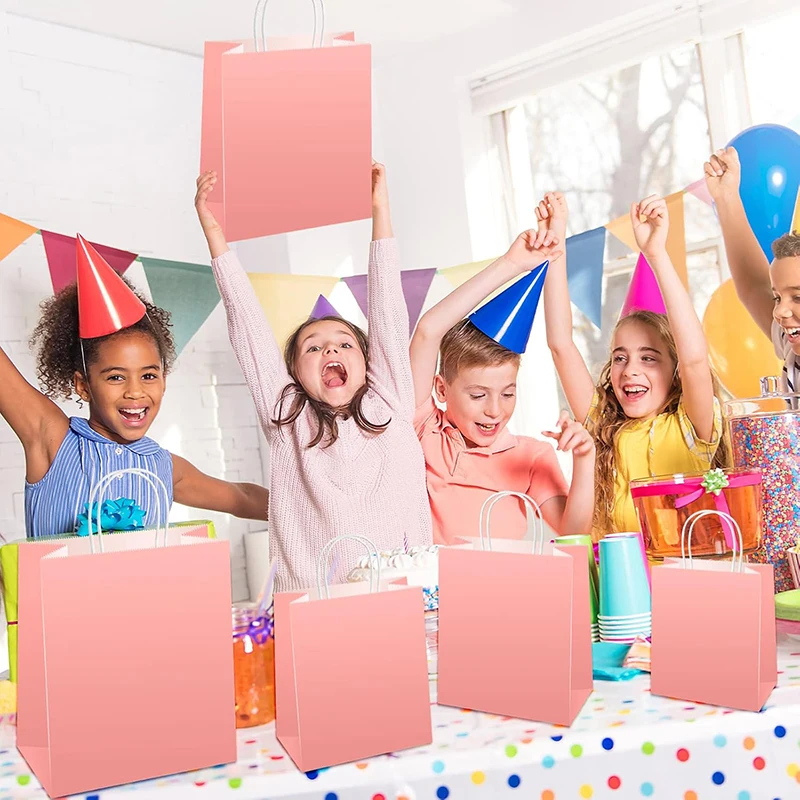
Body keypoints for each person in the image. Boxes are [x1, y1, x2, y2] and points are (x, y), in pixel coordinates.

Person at [195, 163, 432, 591]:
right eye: (313, 347)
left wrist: (380, 211)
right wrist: (214, 234)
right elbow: (246, 323)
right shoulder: (287, 417)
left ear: (367, 361)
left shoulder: (390, 400)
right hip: (312, 604)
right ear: (293, 376)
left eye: (344, 343)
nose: (330, 350)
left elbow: (387, 312)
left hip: (407, 594)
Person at [1, 249, 269, 539]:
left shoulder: (163, 467)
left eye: (149, 375)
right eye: (116, 377)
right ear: (83, 386)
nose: (135, 391)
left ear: (163, 381)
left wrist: (316, 509)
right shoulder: (53, 439)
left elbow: (241, 496)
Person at [541, 191, 725, 538]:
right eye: (620, 357)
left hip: (683, 588)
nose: (630, 370)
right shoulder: (602, 426)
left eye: (649, 358)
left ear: (675, 370)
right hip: (614, 589)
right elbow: (560, 344)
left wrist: (655, 253)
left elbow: (696, 359)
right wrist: (555, 246)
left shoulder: (689, 429)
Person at [410, 228, 595, 544]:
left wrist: (584, 459)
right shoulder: (424, 431)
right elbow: (428, 330)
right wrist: (511, 264)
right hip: (438, 590)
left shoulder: (532, 456)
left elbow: (573, 532)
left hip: (506, 588)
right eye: (478, 394)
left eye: (508, 393)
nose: (495, 410)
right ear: (441, 389)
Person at [704, 146, 800, 390]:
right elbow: (754, 287)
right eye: (778, 297)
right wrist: (727, 197)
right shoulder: (793, 349)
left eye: (797, 297)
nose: (780, 312)